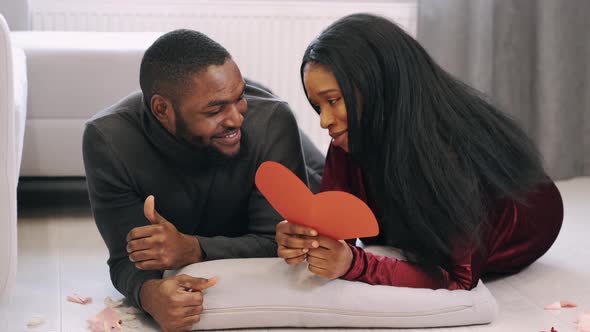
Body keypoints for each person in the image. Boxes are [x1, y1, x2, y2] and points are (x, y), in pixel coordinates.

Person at [276, 13, 563, 290]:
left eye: (334, 100)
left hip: (531, 214)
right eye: (318, 107)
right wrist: (306, 238)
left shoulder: (448, 157)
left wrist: (357, 265)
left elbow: (460, 278)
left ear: (379, 86)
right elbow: (340, 235)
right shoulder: (348, 140)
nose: (324, 121)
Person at [82, 29, 324, 332]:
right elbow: (126, 258)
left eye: (239, 97)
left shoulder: (269, 123)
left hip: (297, 163)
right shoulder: (109, 140)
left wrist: (192, 249)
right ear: (162, 109)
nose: (236, 117)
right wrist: (150, 295)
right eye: (215, 108)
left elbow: (277, 241)